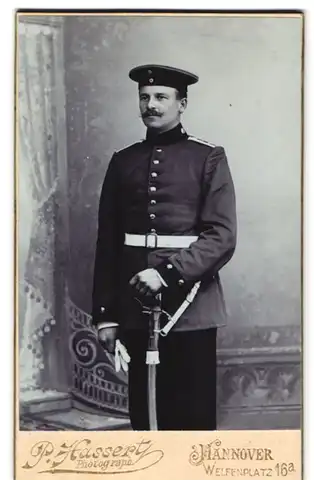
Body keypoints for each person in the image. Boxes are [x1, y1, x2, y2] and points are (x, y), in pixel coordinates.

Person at [92, 64, 237, 430]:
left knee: (192, 420)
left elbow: (222, 236)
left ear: (181, 103)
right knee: (146, 419)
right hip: (135, 307)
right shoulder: (123, 161)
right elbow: (108, 242)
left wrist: (167, 273)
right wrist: (106, 315)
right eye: (144, 97)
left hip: (191, 309)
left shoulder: (208, 157)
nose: (150, 105)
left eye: (161, 97)